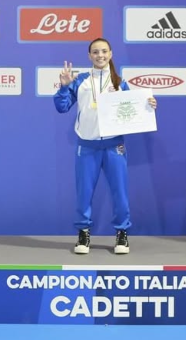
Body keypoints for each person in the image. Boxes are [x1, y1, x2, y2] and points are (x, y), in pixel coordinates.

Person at [53, 37, 157, 254]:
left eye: (104, 51)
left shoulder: (120, 82)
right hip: (87, 147)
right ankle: (83, 234)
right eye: (95, 52)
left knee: (120, 192)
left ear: (110, 54)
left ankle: (122, 234)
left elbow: (133, 112)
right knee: (84, 193)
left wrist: (148, 105)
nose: (100, 55)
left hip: (114, 147)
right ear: (89, 56)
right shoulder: (80, 80)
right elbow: (62, 107)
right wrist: (64, 87)